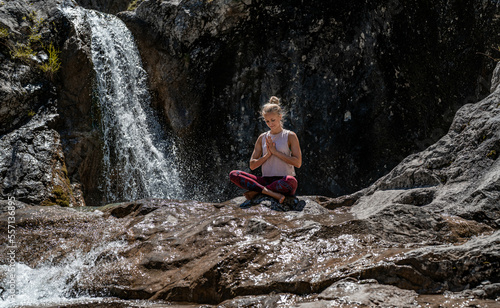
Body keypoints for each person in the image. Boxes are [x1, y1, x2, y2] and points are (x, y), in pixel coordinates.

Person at [229, 96, 302, 204]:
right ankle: (270, 193)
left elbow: (298, 163)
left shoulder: (290, 136)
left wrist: (276, 152)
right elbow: (252, 165)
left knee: (291, 181)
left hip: (283, 180)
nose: (270, 124)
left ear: (280, 117)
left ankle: (258, 191)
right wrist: (267, 155)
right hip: (265, 180)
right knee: (234, 174)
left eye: (273, 120)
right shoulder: (262, 137)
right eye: (267, 121)